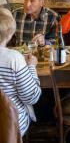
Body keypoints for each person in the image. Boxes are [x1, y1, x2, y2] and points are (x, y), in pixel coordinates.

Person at [0, 7, 41, 137]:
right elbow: (32, 97)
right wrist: (31, 67)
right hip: (8, 123)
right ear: (10, 33)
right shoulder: (13, 58)